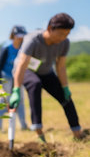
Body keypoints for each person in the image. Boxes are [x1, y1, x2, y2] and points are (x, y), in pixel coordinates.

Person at [10, 13, 83, 142]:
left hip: (45, 72)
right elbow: (22, 64)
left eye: (67, 34)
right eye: (61, 34)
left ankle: (77, 133)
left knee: (65, 98)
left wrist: (65, 87)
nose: (63, 38)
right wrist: (16, 90)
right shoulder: (32, 39)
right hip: (26, 70)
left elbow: (60, 67)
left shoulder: (64, 43)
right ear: (49, 28)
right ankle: (39, 133)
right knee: (35, 84)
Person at [0, 25, 28, 131]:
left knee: (20, 100)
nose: (20, 38)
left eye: (22, 36)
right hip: (6, 78)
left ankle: (23, 126)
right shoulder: (7, 47)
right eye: (18, 36)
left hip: (18, 77)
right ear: (13, 36)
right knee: (3, 101)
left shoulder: (24, 48)